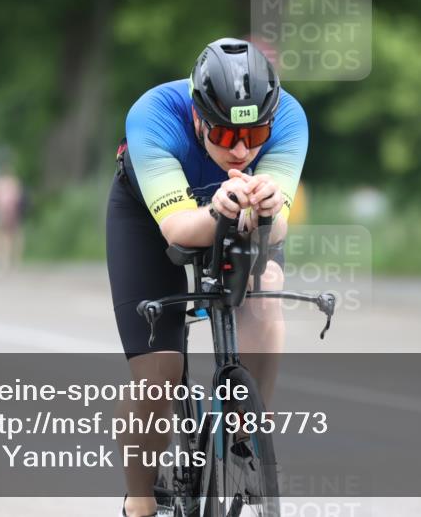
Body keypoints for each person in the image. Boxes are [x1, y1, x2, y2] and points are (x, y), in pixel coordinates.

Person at [106, 38, 308, 517]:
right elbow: (178, 229)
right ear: (198, 117)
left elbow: (277, 223)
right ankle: (139, 501)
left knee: (267, 287)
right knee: (159, 377)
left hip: (241, 220)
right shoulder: (153, 114)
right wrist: (216, 207)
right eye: (224, 136)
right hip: (151, 219)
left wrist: (265, 204)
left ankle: (249, 422)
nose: (240, 150)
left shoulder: (290, 116)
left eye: (255, 137)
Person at [0, 168, 25, 273]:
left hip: (5, 211)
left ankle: (2, 258)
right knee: (9, 235)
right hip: (9, 211)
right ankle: (6, 258)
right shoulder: (13, 183)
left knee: (3, 235)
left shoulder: (1, 183)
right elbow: (18, 198)